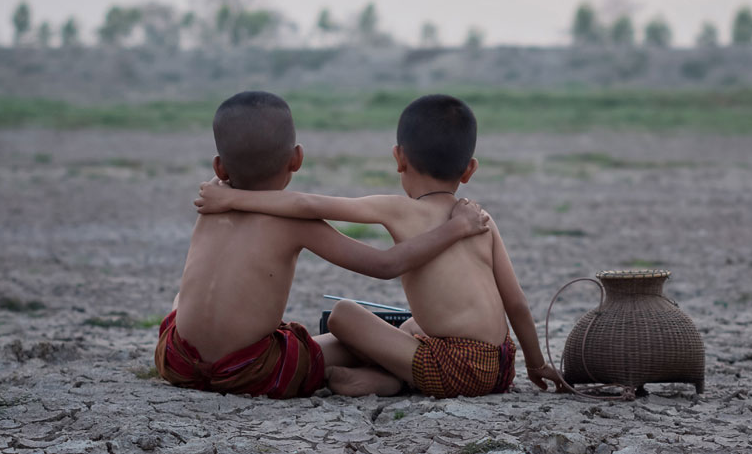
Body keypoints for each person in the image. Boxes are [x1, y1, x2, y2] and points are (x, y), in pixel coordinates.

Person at [196, 93, 566, 398]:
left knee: (343, 314)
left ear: (399, 158)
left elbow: (307, 204)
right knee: (410, 325)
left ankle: (391, 380)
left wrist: (231, 200)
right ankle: (390, 379)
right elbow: (516, 303)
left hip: (452, 370)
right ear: (469, 169)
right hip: (499, 366)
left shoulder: (399, 210)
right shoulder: (480, 219)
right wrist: (534, 364)